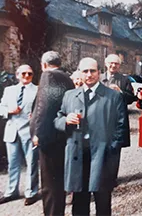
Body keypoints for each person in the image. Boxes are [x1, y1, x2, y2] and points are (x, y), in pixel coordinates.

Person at [54, 57, 128, 215]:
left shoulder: (113, 96)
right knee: (79, 202)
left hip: (102, 156)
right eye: (85, 71)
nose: (89, 74)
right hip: (78, 156)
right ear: (79, 73)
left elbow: (122, 127)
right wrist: (65, 120)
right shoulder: (69, 95)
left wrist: (111, 149)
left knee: (102, 201)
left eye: (92, 71)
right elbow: (58, 118)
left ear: (99, 73)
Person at [30, 51, 75, 215]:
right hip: (61, 136)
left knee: (50, 185)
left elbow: (45, 107)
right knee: (57, 182)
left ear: (43, 65)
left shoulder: (48, 76)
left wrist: (38, 134)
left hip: (49, 138)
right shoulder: (66, 78)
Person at [0, 65, 39, 206]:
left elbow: (41, 110)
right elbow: (1, 106)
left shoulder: (37, 90)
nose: (26, 76)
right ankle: (11, 192)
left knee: (32, 163)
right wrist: (9, 111)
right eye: (23, 73)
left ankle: (31, 192)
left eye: (30, 73)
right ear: (17, 75)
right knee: (13, 164)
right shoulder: (9, 90)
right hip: (12, 131)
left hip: (29, 131)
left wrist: (34, 116)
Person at [100, 54, 135, 183]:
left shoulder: (125, 80)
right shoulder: (99, 78)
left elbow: (132, 98)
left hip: (117, 119)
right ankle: (101, 175)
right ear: (106, 64)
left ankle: (112, 178)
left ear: (119, 66)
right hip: (101, 118)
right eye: (111, 63)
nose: (113, 65)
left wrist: (120, 91)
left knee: (115, 149)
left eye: (116, 63)